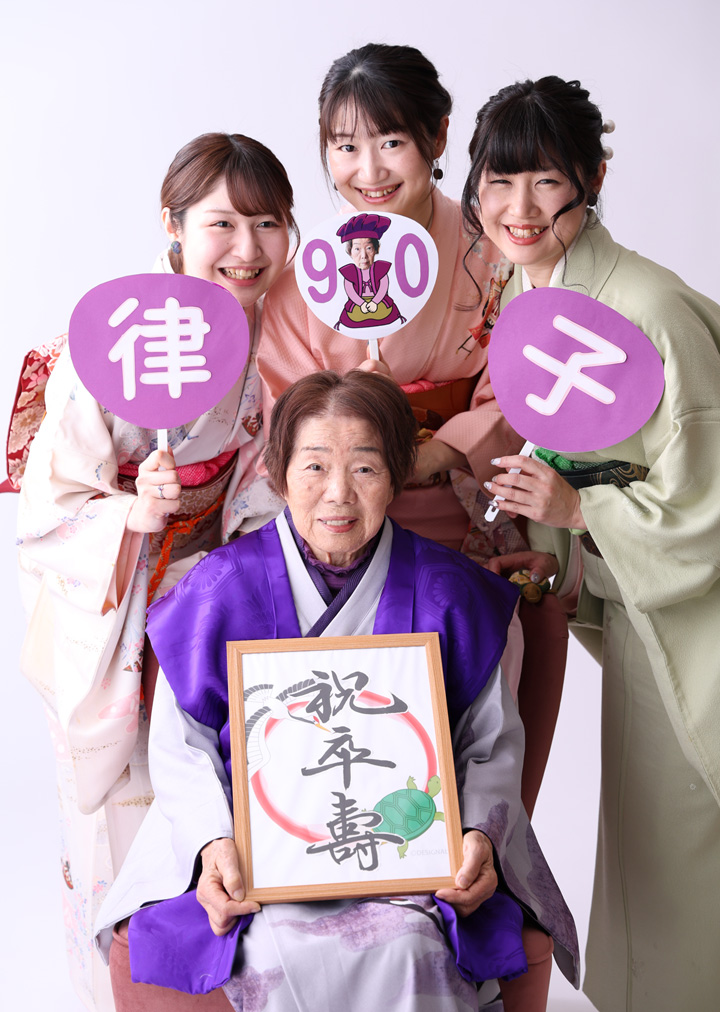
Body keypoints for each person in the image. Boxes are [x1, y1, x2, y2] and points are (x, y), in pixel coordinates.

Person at [95, 370, 579, 1012]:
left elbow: (488, 745)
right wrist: (213, 844)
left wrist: (478, 837)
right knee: (270, 952)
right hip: (254, 854)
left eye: (366, 469)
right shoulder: (219, 587)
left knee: (408, 946)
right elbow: (182, 746)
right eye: (315, 466)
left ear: (399, 474)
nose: (338, 494)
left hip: (409, 861)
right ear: (278, 473)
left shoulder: (448, 590)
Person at [16, 132, 295, 1011]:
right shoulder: (109, 344)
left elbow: (254, 484)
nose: (247, 248)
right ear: (172, 226)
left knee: (217, 811)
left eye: (268, 223)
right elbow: (48, 510)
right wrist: (131, 516)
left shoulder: (258, 339)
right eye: (222, 224)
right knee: (121, 828)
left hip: (206, 608)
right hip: (114, 613)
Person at [462, 75, 720, 1012]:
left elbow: (707, 498)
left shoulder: (651, 307)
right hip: (647, 612)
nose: (519, 208)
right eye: (498, 182)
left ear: (593, 178)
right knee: (654, 835)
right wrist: (561, 551)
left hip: (698, 621)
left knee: (691, 835)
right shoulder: (535, 299)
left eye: (545, 180)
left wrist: (581, 516)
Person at [258, 42, 569, 816]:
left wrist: (438, 449)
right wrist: (353, 438)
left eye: (391, 141)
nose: (368, 169)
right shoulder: (311, 275)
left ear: (438, 134)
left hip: (463, 509)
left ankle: (475, 853)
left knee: (471, 726)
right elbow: (281, 406)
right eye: (344, 146)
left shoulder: (492, 253)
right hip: (343, 522)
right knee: (353, 736)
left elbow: (521, 385)